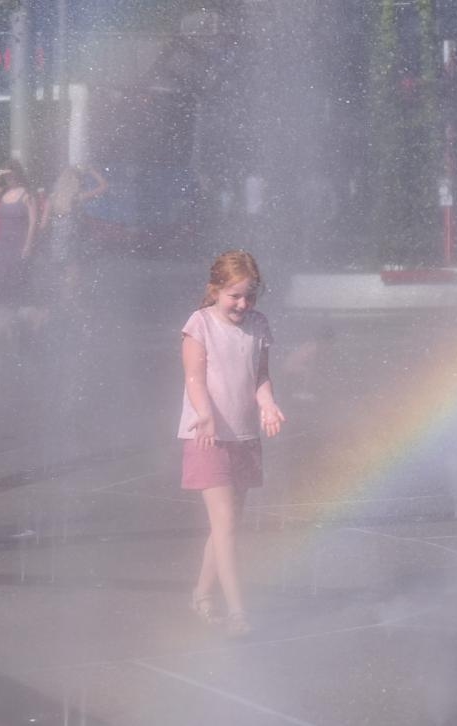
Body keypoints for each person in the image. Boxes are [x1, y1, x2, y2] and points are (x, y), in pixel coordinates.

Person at [178, 250, 285, 634]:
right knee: (225, 525)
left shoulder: (258, 324)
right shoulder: (200, 324)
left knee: (227, 526)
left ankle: (201, 595)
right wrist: (204, 413)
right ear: (215, 289)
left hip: (243, 434)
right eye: (234, 295)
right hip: (208, 436)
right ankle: (238, 611)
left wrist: (268, 404)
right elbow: (193, 376)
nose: (242, 304)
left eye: (250, 296)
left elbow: (260, 376)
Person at [0, 160, 39, 342]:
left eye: (12, 175)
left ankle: (24, 323)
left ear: (18, 174)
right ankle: (4, 326)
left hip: (19, 245)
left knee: (17, 283)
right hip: (3, 246)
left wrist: (27, 246)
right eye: (7, 176)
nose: (10, 178)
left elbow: (33, 223)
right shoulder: (2, 193)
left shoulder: (26, 195)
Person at [39, 163, 108, 307]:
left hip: (57, 241)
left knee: (61, 272)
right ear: (75, 182)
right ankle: (69, 302)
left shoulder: (53, 197)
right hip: (72, 239)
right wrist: (91, 170)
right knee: (73, 273)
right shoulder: (76, 197)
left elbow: (43, 224)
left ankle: (61, 302)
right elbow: (104, 186)